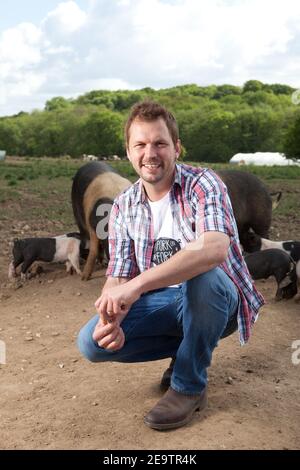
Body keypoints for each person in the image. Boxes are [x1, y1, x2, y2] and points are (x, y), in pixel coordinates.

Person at [77, 101, 264, 430]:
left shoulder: (205, 184)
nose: (150, 153)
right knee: (91, 344)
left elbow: (214, 249)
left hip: (219, 301)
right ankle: (187, 348)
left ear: (176, 148)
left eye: (160, 143)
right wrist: (111, 314)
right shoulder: (123, 205)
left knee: (201, 276)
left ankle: (189, 386)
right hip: (168, 302)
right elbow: (118, 274)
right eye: (141, 144)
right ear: (129, 151)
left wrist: (136, 286)